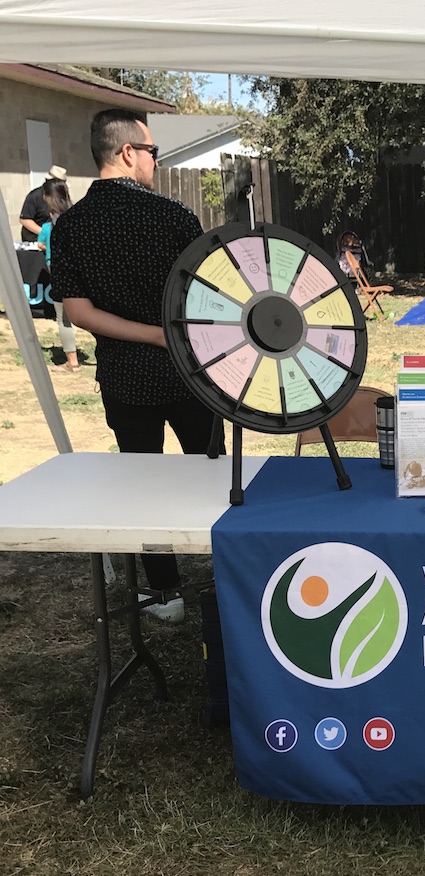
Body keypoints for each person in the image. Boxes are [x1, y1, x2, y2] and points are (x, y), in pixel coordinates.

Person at [54, 109, 221, 624]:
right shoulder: (175, 218)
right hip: (190, 373)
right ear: (128, 152)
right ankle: (226, 575)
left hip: (124, 377)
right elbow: (210, 296)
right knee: (213, 476)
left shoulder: (70, 225)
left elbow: (78, 314)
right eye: (152, 151)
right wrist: (165, 333)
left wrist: (147, 335)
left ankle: (166, 593)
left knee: (141, 486)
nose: (155, 160)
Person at [35, 178, 81, 372]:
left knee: (63, 318)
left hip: (63, 275)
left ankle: (72, 362)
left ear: (48, 197)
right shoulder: (78, 216)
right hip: (81, 273)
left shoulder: (53, 223)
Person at [19, 165, 68, 242]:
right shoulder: (35, 196)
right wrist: (45, 233)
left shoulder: (64, 197)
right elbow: (25, 219)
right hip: (35, 240)